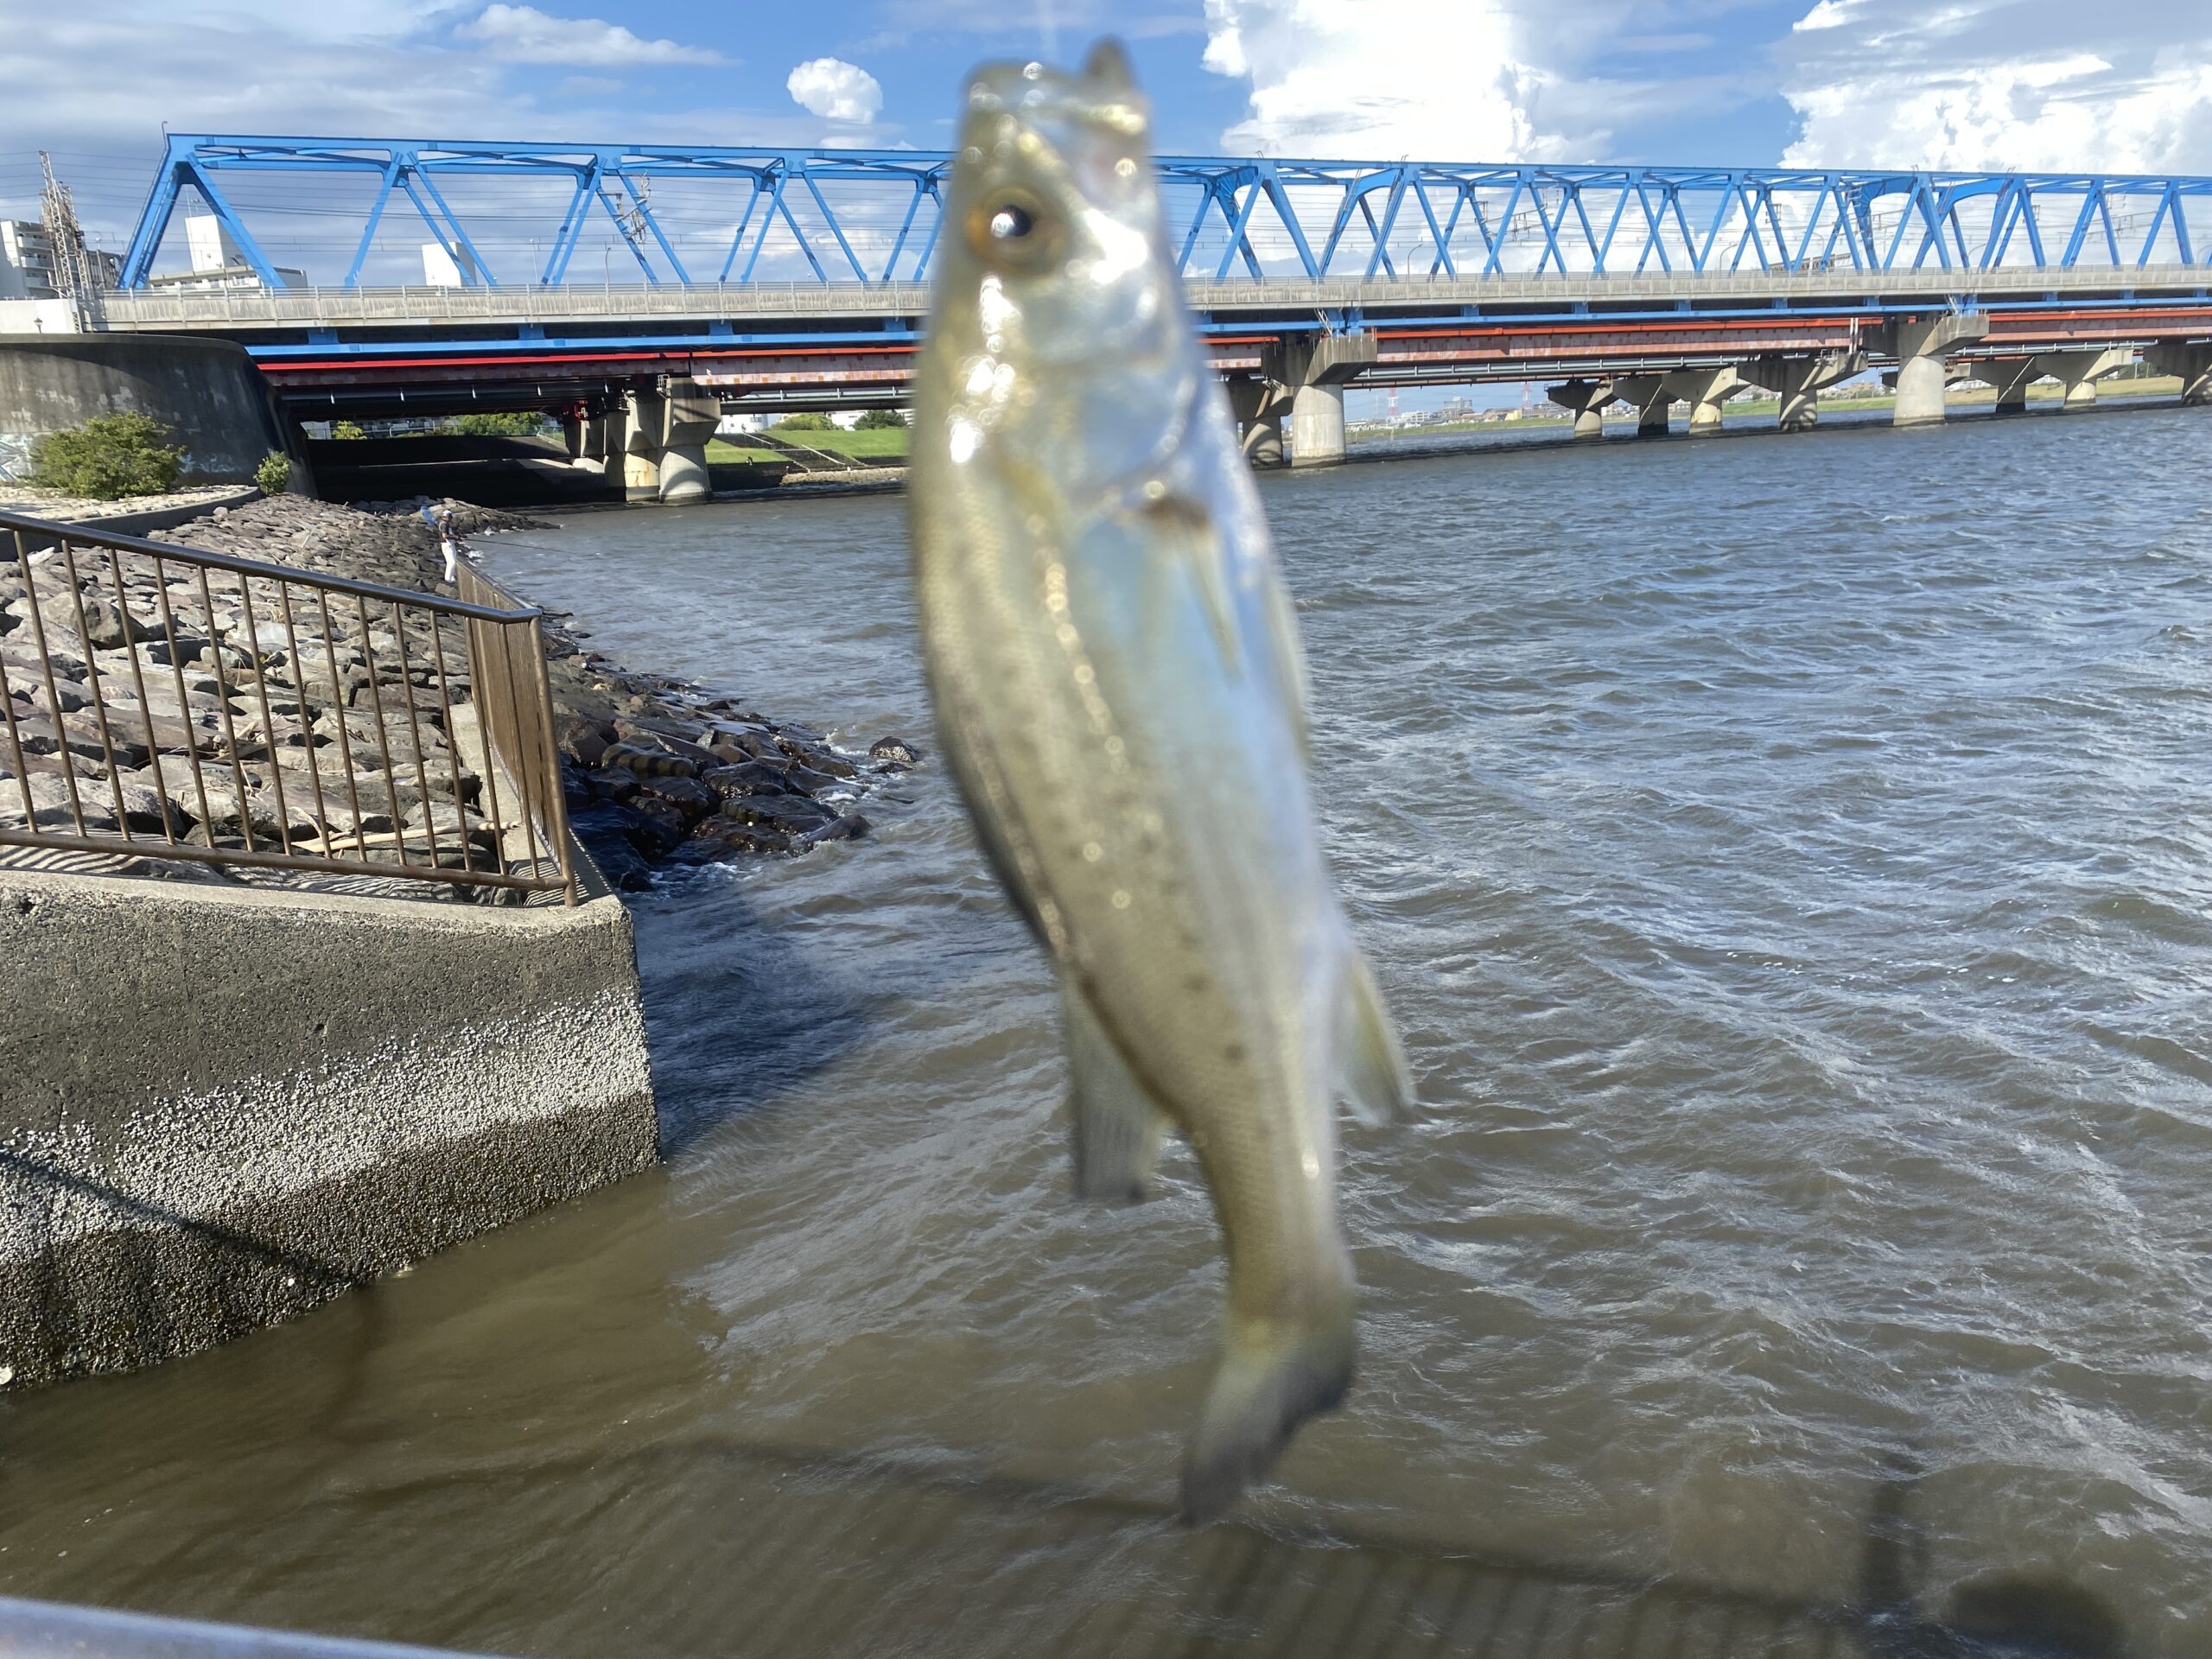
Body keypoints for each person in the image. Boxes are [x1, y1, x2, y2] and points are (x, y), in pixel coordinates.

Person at [418, 500, 469, 582]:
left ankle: (451, 578)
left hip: (448, 544)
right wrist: (456, 537)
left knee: (452, 561)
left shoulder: (441, 522)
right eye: (450, 516)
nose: (451, 518)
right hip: (447, 544)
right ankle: (448, 579)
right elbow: (445, 536)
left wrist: (457, 538)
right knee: (451, 562)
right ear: (446, 516)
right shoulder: (444, 524)